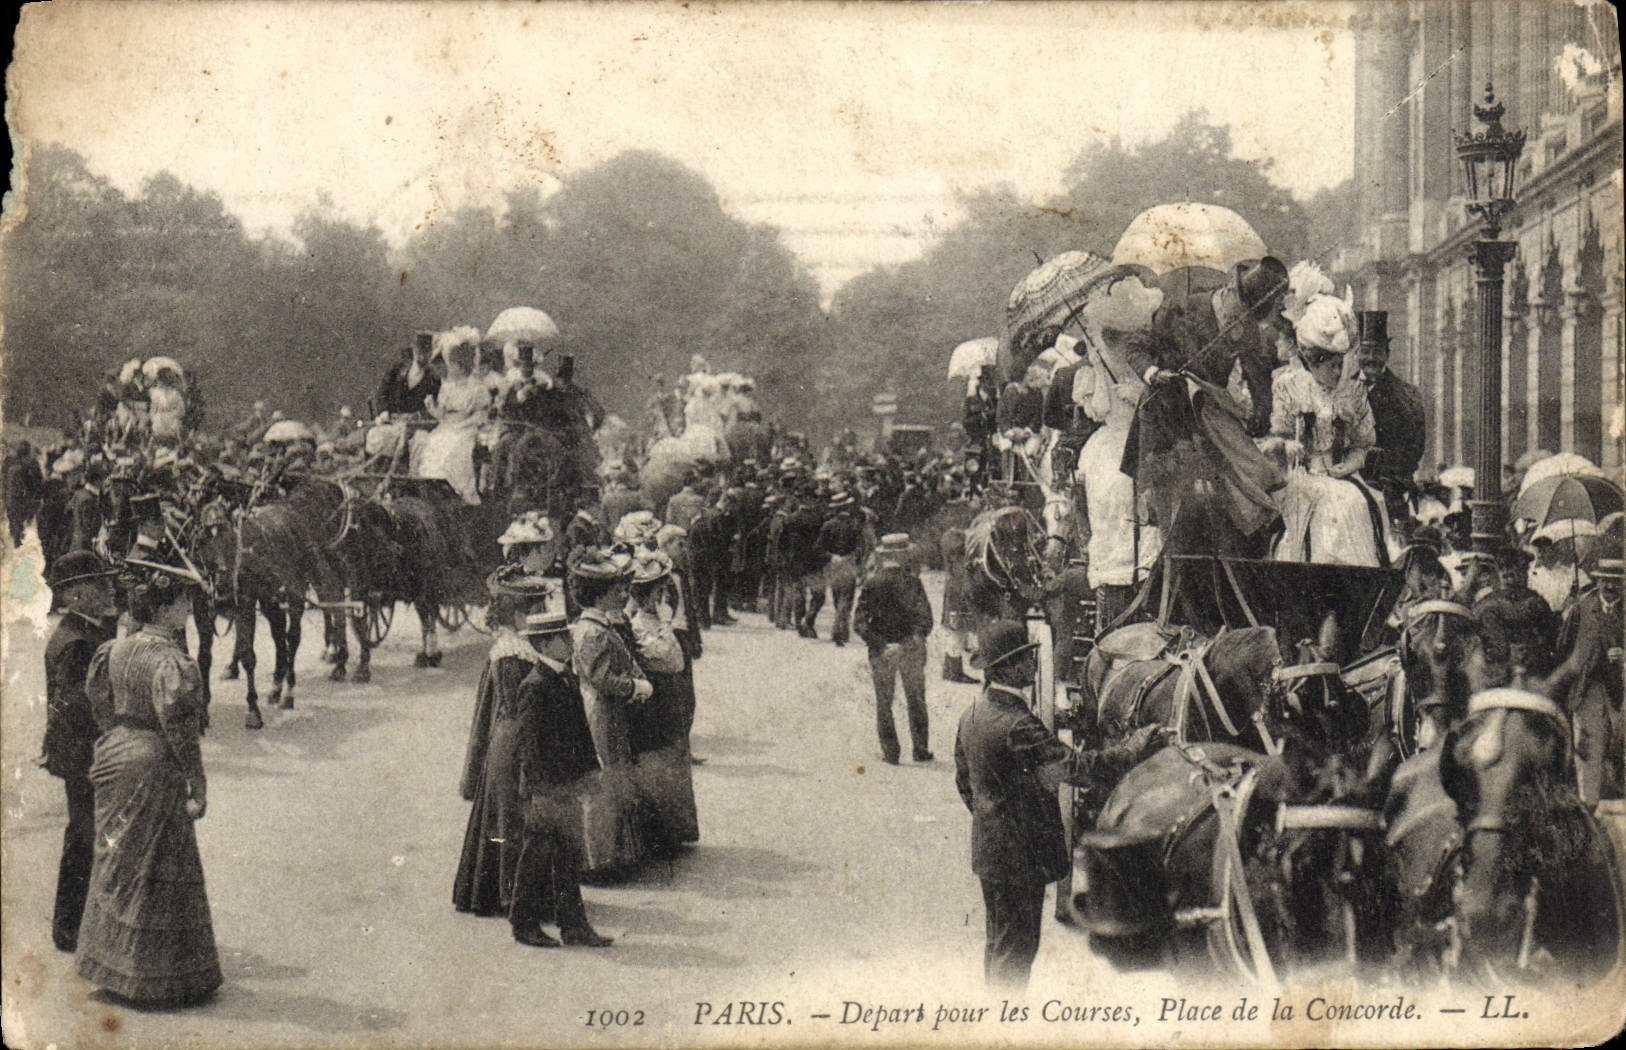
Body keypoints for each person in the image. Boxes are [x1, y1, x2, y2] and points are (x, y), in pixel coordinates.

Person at [954, 620, 1164, 988]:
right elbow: (1080, 769)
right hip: (1019, 858)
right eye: (1025, 659)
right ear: (1008, 668)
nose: (1033, 664)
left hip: (991, 851)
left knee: (999, 943)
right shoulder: (1018, 725)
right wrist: (1132, 748)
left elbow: (964, 783)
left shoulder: (973, 714)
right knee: (1017, 950)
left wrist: (995, 817)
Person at [76, 556, 221, 1006]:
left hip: (116, 752)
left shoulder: (114, 650)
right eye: (181, 604)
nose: (185, 611)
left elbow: (98, 701)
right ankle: (155, 977)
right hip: (153, 762)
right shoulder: (172, 660)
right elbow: (179, 730)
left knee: (118, 859)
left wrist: (117, 737)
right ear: (165, 609)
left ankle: (108, 965)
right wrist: (197, 781)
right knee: (158, 864)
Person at [507, 609, 614, 947]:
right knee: (536, 854)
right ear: (545, 643)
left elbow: (581, 732)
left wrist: (590, 770)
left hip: (567, 783)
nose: (569, 642)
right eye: (563, 638)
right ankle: (523, 924)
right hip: (544, 789)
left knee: (568, 854)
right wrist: (539, 791)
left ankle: (574, 925)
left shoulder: (565, 677)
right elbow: (528, 746)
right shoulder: (534, 686)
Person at [1267, 293, 1392, 566]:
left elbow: (1363, 442)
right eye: (1332, 367)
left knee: (1356, 503)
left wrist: (1349, 464)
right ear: (1314, 364)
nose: (1338, 373)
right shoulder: (1291, 386)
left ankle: (1354, 575)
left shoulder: (1352, 391)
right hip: (1301, 473)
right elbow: (1278, 435)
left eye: (1341, 366)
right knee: (1313, 504)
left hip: (1341, 476)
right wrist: (1289, 447)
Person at [40, 551, 119, 952]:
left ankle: (79, 921)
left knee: (88, 834)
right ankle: (68, 927)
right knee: (84, 836)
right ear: (74, 596)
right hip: (82, 754)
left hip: (81, 751)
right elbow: (77, 705)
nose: (109, 590)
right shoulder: (75, 642)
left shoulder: (85, 631)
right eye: (98, 585)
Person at [455, 586, 546, 918]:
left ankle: (503, 890)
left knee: (505, 816)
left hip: (506, 737)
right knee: (511, 816)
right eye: (534, 610)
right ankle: (511, 894)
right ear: (519, 616)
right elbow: (513, 704)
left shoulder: (514, 647)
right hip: (512, 740)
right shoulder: (511, 652)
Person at [568, 546, 652, 877]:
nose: (621, 595)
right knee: (603, 781)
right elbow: (601, 679)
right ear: (599, 596)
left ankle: (612, 853)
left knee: (613, 777)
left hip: (609, 712)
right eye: (614, 590)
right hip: (600, 713)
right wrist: (634, 687)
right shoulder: (591, 631)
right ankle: (598, 860)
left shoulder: (599, 625)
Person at [624, 549, 700, 854]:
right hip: (657, 704)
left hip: (667, 701)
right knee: (661, 763)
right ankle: (662, 834)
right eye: (660, 592)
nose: (665, 597)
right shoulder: (643, 624)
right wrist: (667, 624)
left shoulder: (650, 620)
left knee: (671, 760)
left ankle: (674, 830)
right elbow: (672, 660)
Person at [1544, 532, 1623, 804]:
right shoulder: (1583, 609)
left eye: (1616, 582)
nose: (1610, 587)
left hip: (1621, 688)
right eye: (1605, 581)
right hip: (1588, 687)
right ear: (1597, 580)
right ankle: (1589, 802)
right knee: (1591, 741)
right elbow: (1563, 646)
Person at [853, 534, 935, 764]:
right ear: (903, 554)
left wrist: (880, 643)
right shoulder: (913, 582)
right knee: (916, 698)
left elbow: (858, 623)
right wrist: (911, 641)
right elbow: (926, 619)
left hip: (881, 652)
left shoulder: (872, 582)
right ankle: (920, 749)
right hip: (911, 650)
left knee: (884, 702)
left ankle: (891, 753)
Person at [1353, 311, 1427, 522]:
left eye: (1377, 352)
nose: (1370, 359)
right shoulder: (1343, 389)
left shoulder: (1406, 395)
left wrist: (1383, 465)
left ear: (1386, 354)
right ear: (1356, 354)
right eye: (1365, 351)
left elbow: (1414, 447)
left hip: (1389, 486)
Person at [414, 331, 492, 504]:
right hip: (446, 426)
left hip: (466, 428)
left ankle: (457, 489)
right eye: (451, 364)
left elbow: (481, 414)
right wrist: (431, 407)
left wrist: (466, 423)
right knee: (431, 442)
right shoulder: (447, 388)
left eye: (455, 365)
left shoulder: (477, 389)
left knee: (454, 447)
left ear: (463, 366)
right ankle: (433, 484)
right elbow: (441, 415)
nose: (451, 368)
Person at [378, 334, 442, 417]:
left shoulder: (434, 379)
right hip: (392, 420)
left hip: (417, 425)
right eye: (420, 351)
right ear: (414, 350)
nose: (423, 357)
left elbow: (436, 408)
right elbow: (382, 393)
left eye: (427, 352)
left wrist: (418, 416)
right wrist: (384, 411)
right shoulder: (397, 370)